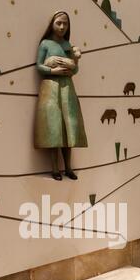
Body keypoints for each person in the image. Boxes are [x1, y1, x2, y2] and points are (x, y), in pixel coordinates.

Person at [34, 11, 88, 181]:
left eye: (65, 24)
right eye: (59, 23)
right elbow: (38, 66)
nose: (62, 27)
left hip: (67, 88)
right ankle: (55, 168)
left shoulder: (68, 45)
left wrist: (75, 62)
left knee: (68, 128)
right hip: (50, 88)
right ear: (52, 23)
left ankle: (69, 168)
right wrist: (52, 70)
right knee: (54, 127)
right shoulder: (46, 44)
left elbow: (75, 71)